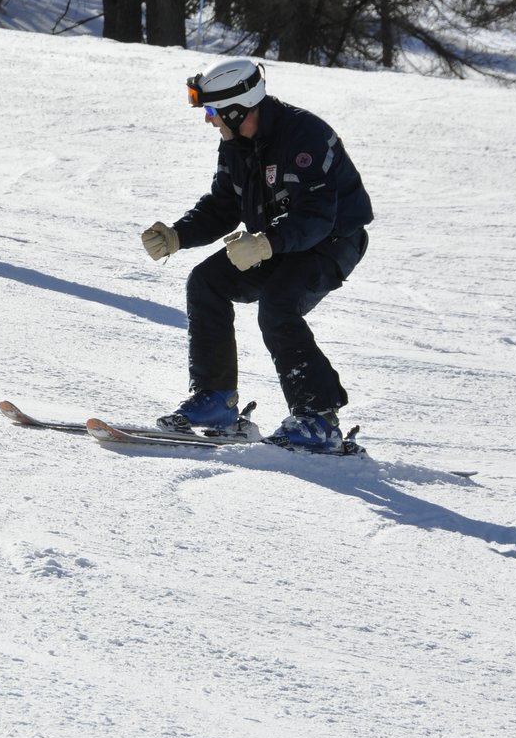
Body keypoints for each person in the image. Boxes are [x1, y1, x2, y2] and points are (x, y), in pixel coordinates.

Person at [140, 57, 373, 451]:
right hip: (279, 238)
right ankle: (216, 400)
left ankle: (318, 420)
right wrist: (178, 235)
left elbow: (317, 216)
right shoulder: (235, 144)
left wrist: (266, 244)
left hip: (333, 240)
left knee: (279, 305)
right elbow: (223, 205)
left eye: (213, 111)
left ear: (237, 108)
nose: (209, 120)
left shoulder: (305, 136)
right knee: (206, 283)